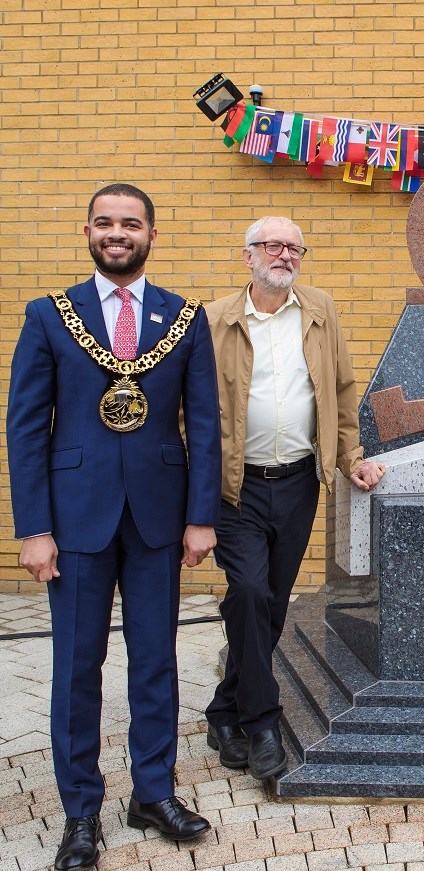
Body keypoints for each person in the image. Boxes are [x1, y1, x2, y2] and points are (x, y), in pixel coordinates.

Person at [7, 184, 221, 870]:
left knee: (157, 661)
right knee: (76, 668)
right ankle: (80, 811)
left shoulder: (182, 317)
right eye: (105, 222)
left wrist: (201, 517)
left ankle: (153, 792)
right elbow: (24, 428)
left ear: (151, 234)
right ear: (89, 230)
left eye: (130, 223)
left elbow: (207, 423)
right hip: (74, 518)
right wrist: (34, 527)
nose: (117, 232)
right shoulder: (49, 315)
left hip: (161, 515)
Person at [204, 217, 385, 782]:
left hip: (300, 480)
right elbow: (191, 406)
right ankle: (261, 721)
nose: (285, 255)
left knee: (271, 603)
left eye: (294, 247)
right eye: (273, 246)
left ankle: (222, 710)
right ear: (248, 254)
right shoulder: (213, 320)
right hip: (235, 487)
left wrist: (350, 457)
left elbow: (342, 388)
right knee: (249, 590)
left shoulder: (319, 309)